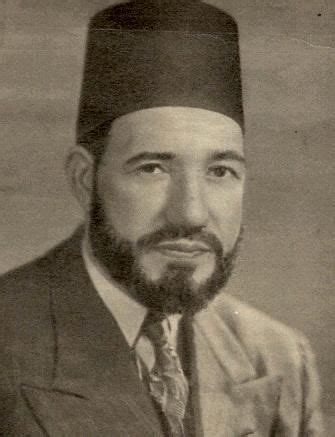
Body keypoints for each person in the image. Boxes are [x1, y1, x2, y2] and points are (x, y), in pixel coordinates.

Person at [0, 1, 324, 435]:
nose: (190, 213)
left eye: (220, 171)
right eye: (153, 168)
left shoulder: (279, 356)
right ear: (84, 178)